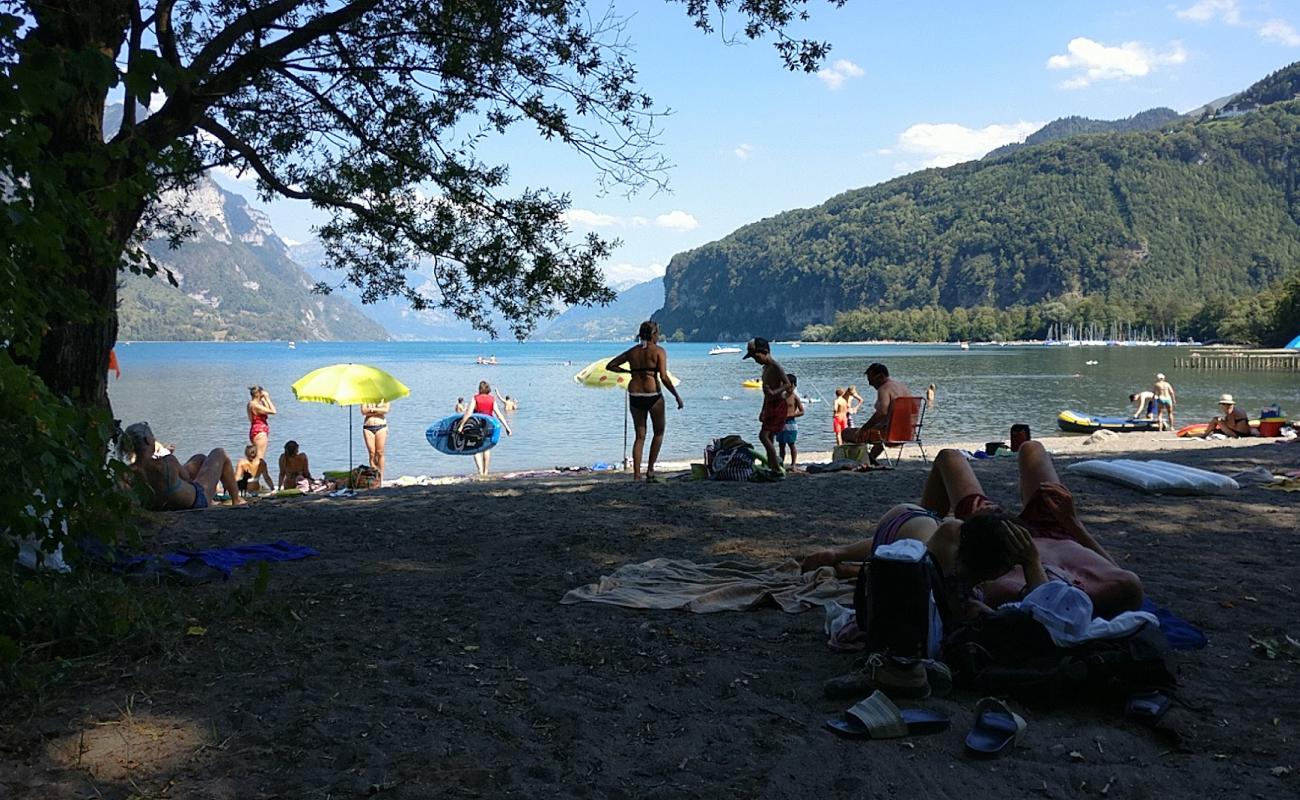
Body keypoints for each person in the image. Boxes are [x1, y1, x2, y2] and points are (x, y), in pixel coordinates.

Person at [801, 441, 1143, 619]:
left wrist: (1025, 560)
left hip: (999, 537)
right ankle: (903, 549)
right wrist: (1073, 523)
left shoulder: (1005, 587)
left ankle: (903, 554)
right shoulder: (1121, 585)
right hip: (1056, 530)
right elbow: (1115, 570)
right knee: (1031, 448)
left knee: (950, 458)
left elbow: (965, 596)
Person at [606, 320, 684, 481]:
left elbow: (610, 365)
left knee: (639, 436)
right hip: (652, 395)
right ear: (654, 334)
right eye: (658, 334)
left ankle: (636, 475)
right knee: (659, 432)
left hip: (635, 394)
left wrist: (628, 370)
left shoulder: (632, 352)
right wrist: (676, 395)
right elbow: (663, 377)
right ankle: (650, 470)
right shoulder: (659, 352)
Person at [120, 422, 243, 510]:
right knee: (219, 453)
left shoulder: (126, 473)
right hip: (196, 502)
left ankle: (214, 499)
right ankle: (236, 500)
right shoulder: (167, 462)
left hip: (161, 507)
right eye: (153, 437)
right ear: (148, 440)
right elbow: (188, 478)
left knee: (199, 458)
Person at [842, 363, 910, 465]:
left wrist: (863, 429)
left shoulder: (884, 389)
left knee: (846, 433)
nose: (870, 383)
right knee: (878, 429)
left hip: (890, 435)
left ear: (881, 377)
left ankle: (858, 460)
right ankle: (870, 458)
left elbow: (882, 413)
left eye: (871, 380)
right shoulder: (902, 386)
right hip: (908, 433)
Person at [743, 337, 789, 473]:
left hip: (778, 404)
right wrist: (763, 410)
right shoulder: (765, 368)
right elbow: (765, 392)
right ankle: (772, 466)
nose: (755, 360)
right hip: (769, 404)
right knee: (769, 438)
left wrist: (775, 392)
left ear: (764, 352)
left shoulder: (775, 366)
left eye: (756, 356)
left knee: (763, 436)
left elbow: (787, 384)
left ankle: (775, 467)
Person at [459, 380, 513, 476]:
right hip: (488, 425)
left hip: (477, 425)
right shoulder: (492, 399)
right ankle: (486, 471)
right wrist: (507, 427)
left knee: (476, 448)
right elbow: (499, 414)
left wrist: (461, 425)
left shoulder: (475, 398)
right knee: (486, 449)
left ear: (479, 389)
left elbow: (468, 413)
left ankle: (480, 471)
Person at [776, 373, 805, 470]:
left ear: (794, 386)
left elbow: (802, 411)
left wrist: (791, 415)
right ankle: (781, 464)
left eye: (791, 386)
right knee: (781, 445)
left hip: (790, 424)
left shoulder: (794, 397)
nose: (788, 388)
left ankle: (793, 464)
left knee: (791, 444)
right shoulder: (781, 396)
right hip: (780, 423)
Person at [361, 401, 390, 482]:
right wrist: (377, 411)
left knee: (380, 452)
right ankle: (374, 474)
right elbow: (363, 411)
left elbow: (385, 410)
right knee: (372, 453)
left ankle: (381, 476)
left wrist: (371, 410)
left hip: (381, 426)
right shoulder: (366, 398)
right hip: (368, 427)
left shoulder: (384, 398)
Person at [246, 385, 276, 461]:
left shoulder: (250, 404)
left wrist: (263, 401)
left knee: (255, 457)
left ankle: (252, 472)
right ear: (259, 393)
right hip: (260, 432)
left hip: (254, 430)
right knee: (259, 458)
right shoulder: (256, 406)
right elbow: (273, 411)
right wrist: (268, 399)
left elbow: (251, 419)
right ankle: (255, 472)